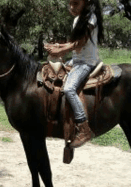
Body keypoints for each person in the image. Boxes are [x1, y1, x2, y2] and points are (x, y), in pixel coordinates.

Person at [44, 0, 104, 148]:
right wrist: (59, 46)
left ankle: (83, 127)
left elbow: (82, 42)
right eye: (70, 4)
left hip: (86, 63)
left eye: (76, 3)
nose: (72, 7)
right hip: (76, 61)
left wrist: (62, 51)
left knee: (69, 89)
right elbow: (74, 42)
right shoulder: (77, 19)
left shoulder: (91, 18)